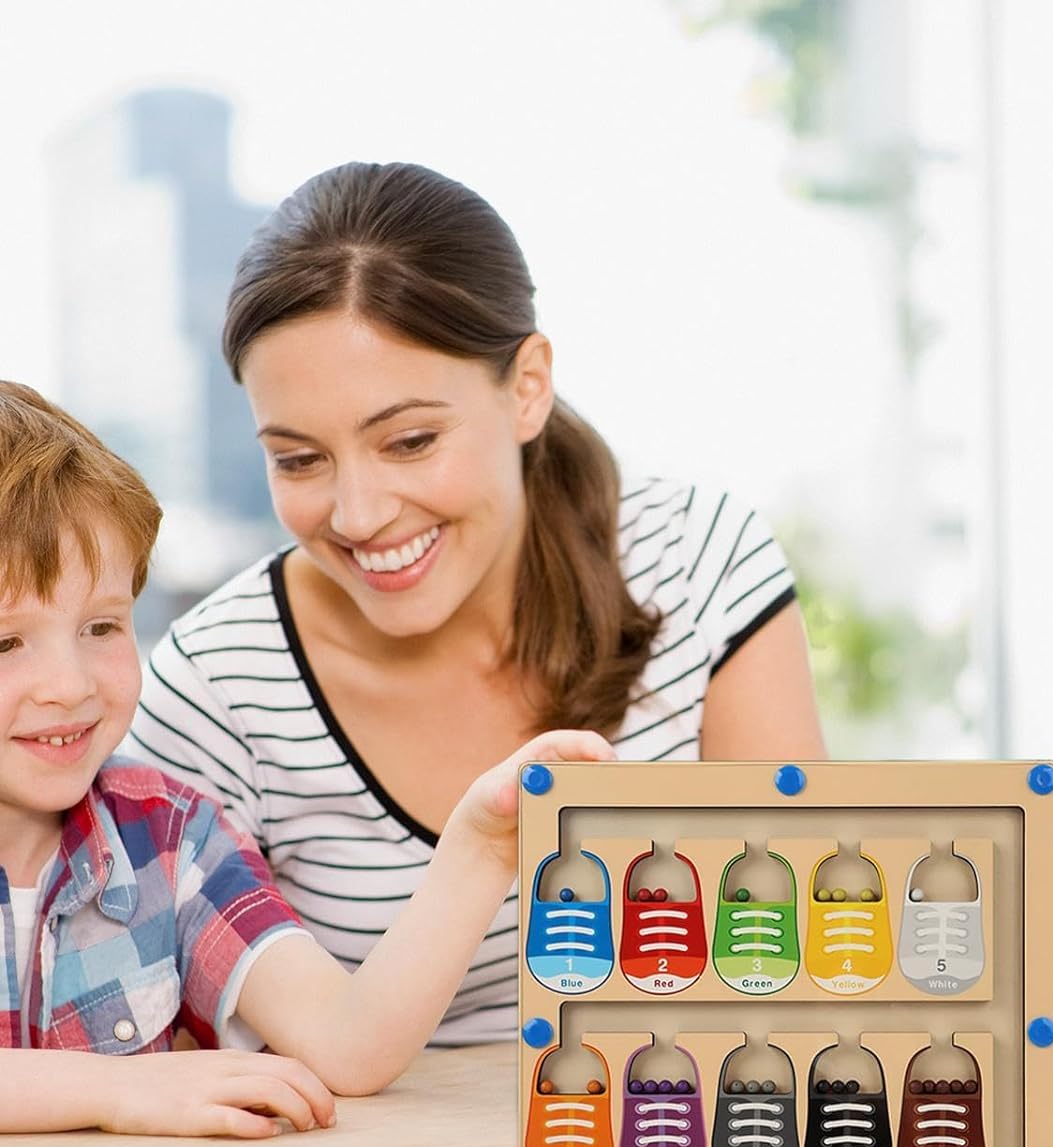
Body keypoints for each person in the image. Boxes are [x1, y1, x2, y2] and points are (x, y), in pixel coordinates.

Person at [128, 162, 824, 1045]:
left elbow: (794, 954)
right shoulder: (216, 688)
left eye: (410, 441)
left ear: (527, 386)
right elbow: (163, 1049)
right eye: (299, 459)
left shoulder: (695, 560)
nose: (359, 514)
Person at [0, 381, 612, 1137]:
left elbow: (348, 1045)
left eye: (101, 627)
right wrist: (115, 1091)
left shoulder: (170, 839)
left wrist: (482, 848)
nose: (70, 686)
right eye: (6, 643)